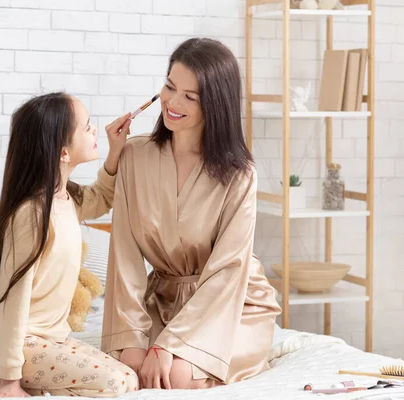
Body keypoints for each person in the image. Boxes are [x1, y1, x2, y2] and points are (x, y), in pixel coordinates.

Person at [101, 38, 282, 390]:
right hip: (164, 300)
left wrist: (170, 344)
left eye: (190, 96)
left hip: (232, 302)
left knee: (177, 376)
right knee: (131, 367)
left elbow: (228, 270)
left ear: (215, 105)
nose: (172, 101)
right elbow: (124, 256)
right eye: (169, 86)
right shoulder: (135, 156)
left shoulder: (239, 173)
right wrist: (134, 335)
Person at [0, 92, 138, 398]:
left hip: (48, 340)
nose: (95, 130)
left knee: (129, 377)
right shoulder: (31, 215)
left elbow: (103, 198)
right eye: (87, 127)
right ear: (64, 152)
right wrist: (9, 381)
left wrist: (115, 150)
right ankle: (1, 375)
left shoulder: (67, 199)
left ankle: (1, 376)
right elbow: (11, 299)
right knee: (115, 384)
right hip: (11, 345)